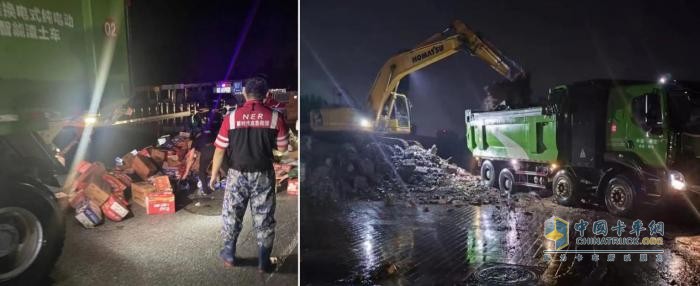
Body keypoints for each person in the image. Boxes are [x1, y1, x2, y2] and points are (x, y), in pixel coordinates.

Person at [209, 76, 288, 272]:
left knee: (232, 213)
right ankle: (263, 261)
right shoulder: (276, 118)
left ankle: (229, 255)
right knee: (264, 216)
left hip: (236, 173)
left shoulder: (231, 118)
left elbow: (219, 150)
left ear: (244, 93)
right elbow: (283, 149)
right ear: (267, 94)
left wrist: (213, 176)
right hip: (263, 173)